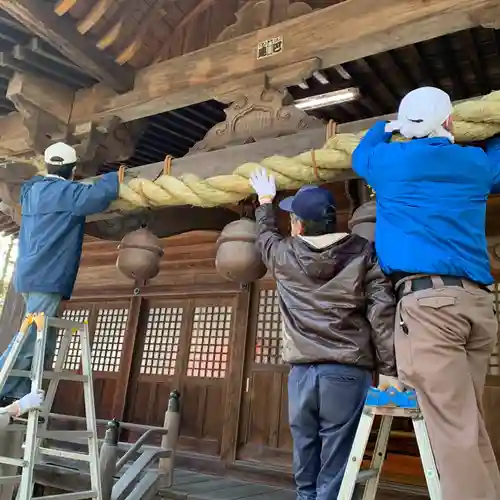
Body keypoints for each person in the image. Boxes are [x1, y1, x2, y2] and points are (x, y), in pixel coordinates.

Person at [352, 86, 500, 500]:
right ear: (449, 122)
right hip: (477, 305)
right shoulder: (474, 164)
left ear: (407, 126)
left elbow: (360, 155)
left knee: (453, 433)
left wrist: (384, 127)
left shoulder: (389, 161)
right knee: (466, 424)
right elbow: (497, 161)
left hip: (429, 307)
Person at [249, 171, 397, 500]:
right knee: (338, 458)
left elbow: (265, 236)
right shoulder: (363, 252)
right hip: (347, 371)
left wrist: (264, 202)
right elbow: (382, 312)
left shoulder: (284, 254)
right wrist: (388, 369)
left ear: (299, 225)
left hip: (302, 373)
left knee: (304, 448)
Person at [0, 142, 122, 406]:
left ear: (48, 165)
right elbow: (100, 196)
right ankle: (3, 383)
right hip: (48, 276)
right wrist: (116, 176)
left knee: (45, 337)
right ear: (73, 169)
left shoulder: (31, 192)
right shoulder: (68, 193)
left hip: (29, 274)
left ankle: (18, 392)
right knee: (33, 334)